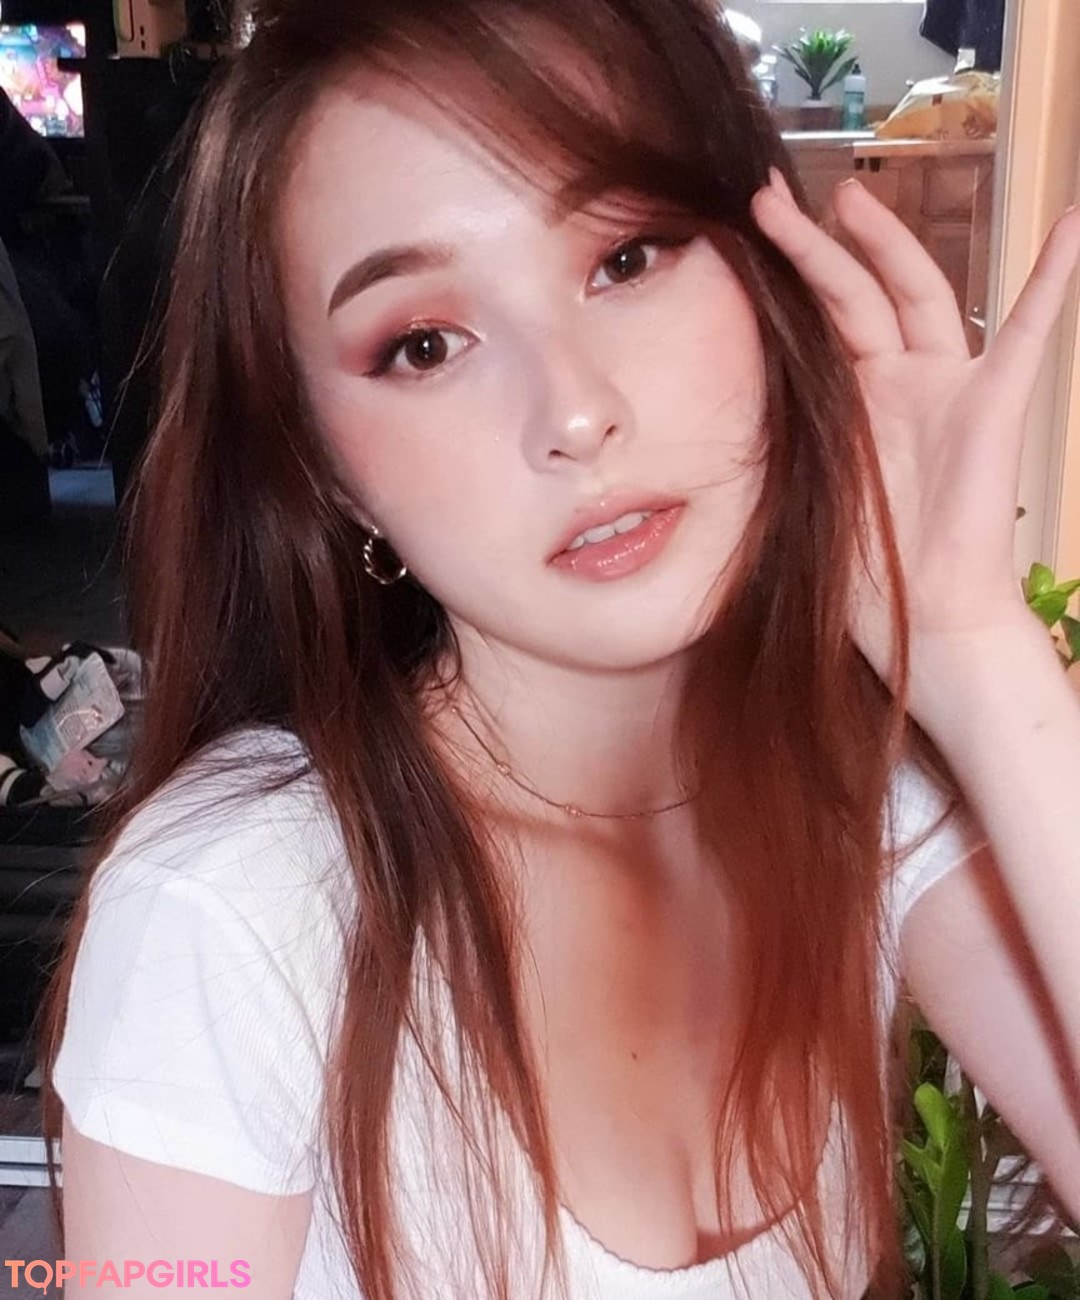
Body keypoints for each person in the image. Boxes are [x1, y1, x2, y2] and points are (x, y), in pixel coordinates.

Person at [39, 1, 1080, 1297]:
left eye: (626, 259)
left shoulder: (857, 790)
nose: (577, 414)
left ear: (767, 274)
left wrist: (972, 643)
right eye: (425, 345)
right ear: (329, 473)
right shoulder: (238, 911)